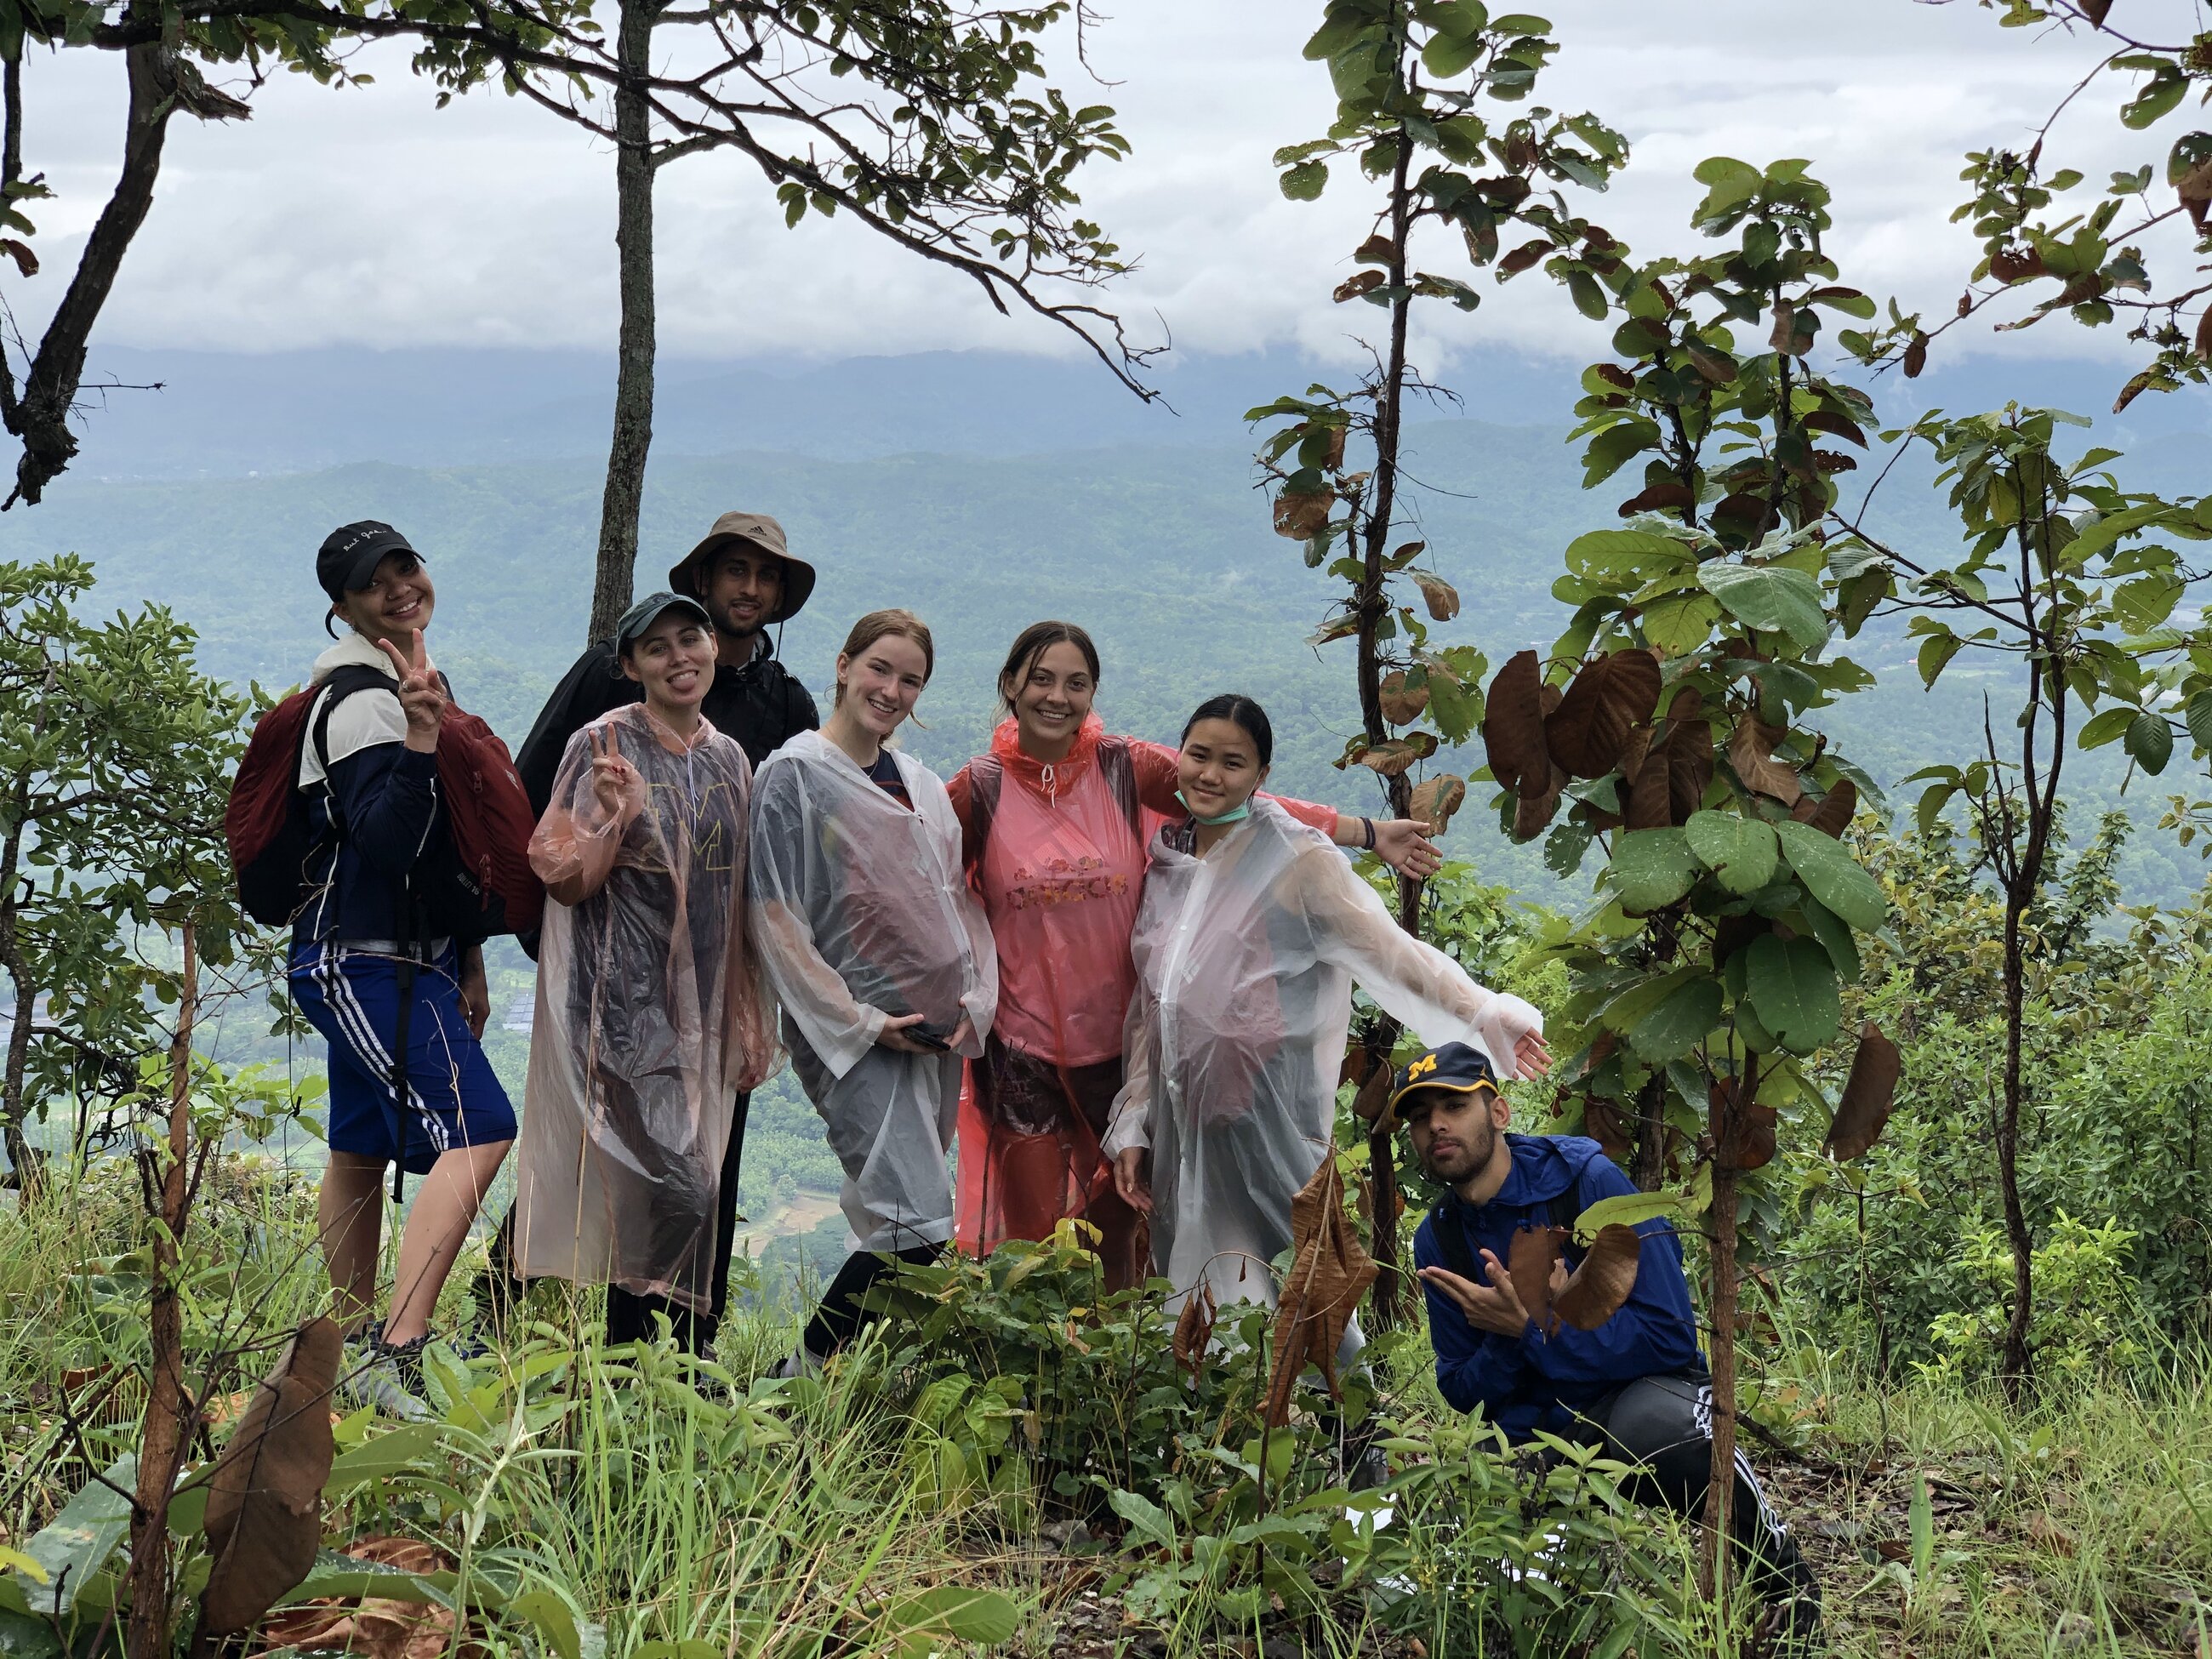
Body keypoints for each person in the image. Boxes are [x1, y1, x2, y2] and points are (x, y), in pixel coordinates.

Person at [947, 622, 1445, 1289]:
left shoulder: (1120, 767)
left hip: (1126, 1053)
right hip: (1022, 1050)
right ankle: (1044, 1385)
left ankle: (1116, 1383)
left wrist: (1365, 831)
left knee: (1119, 1236)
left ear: (1094, 692)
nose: (1057, 697)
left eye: (1076, 682)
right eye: (1041, 678)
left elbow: (1235, 794)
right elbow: (917, 878)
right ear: (1010, 684)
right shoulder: (978, 789)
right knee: (1034, 1245)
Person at [1104, 694, 1548, 1337]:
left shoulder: (1296, 857)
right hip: (1183, 1119)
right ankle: (1215, 1423)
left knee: (1301, 1273)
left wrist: (1482, 1010)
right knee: (1193, 1278)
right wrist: (1134, 1117)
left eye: (1233, 763)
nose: (1209, 775)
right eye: (1198, 755)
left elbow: (1392, 953)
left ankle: (1349, 1424)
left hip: (1265, 1113)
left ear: (1261, 777)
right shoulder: (1171, 857)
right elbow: (1156, 1004)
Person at [486, 511, 820, 1338]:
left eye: (765, 576)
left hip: (712, 993)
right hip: (618, 984)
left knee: (700, 1172)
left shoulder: (778, 710)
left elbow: (779, 862)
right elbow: (537, 805)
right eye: (733, 570)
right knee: (608, 1162)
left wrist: (762, 1003)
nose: (750, 588)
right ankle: (499, 1317)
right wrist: (555, 952)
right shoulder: (607, 709)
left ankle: (675, 1354)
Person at [1398, 1041, 1821, 1641]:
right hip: (1536, 1436)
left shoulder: (1583, 1182)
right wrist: (1508, 1339)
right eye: (1419, 1116)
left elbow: (1669, 1335)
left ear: (1498, 1112)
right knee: (1475, 1567)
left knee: (1671, 1432)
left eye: (1453, 1105)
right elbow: (1461, 1389)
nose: (1436, 1124)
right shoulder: (1440, 1240)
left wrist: (1533, 1328)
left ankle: (1784, 1584)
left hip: (1636, 1401)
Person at [290, 521, 516, 1407]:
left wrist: (468, 960)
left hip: (402, 960)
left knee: (357, 1149)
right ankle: (396, 1347)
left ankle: (342, 1346)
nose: (399, 587)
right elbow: (386, 845)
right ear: (341, 606)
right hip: (357, 957)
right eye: (372, 581)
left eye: (406, 568)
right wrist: (420, 739)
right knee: (480, 1129)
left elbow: (443, 850)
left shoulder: (408, 684)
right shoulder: (358, 702)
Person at [749, 609, 995, 1375]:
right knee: (916, 1226)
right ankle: (793, 1386)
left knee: (895, 1216)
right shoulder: (795, 775)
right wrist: (857, 1021)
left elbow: (955, 900)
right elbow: (776, 913)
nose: (891, 690)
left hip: (933, 1037)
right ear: (845, 664)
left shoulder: (920, 784)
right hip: (858, 1037)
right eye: (879, 669)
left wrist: (973, 1000)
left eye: (910, 679)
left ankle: (871, 1389)